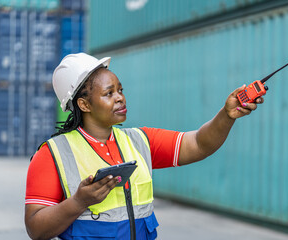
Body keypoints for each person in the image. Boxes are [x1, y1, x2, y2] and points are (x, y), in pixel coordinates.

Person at [24, 53, 264, 240]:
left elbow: (199, 144)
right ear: (84, 104)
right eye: (109, 93)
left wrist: (227, 114)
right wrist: (78, 201)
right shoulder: (52, 154)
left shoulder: (140, 140)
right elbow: (36, 229)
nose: (120, 97)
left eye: (120, 90)